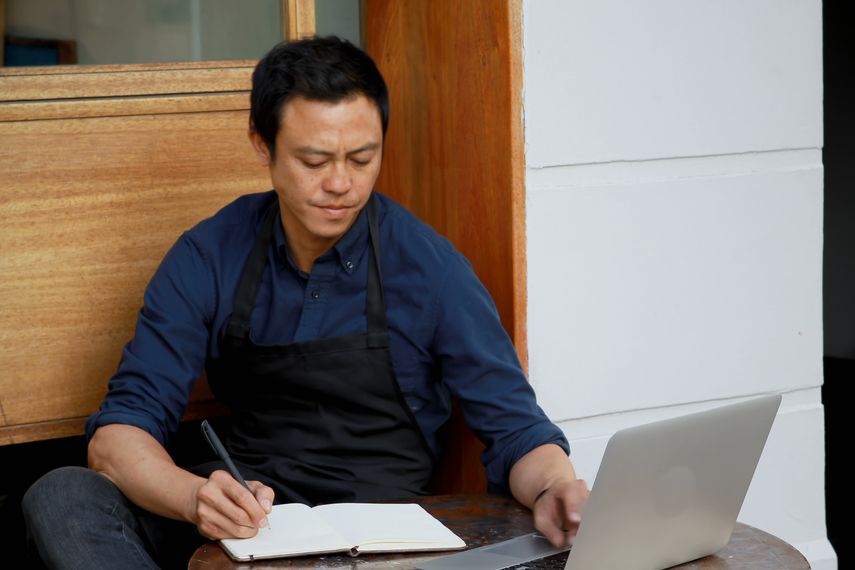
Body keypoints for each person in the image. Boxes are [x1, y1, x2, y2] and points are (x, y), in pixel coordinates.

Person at [22, 36, 588, 569]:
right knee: (62, 494)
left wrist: (557, 487)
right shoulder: (209, 254)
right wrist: (196, 497)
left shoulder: (429, 267)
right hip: (248, 525)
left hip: (383, 537)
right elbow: (119, 436)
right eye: (314, 162)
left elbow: (518, 431)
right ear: (262, 145)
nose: (340, 183)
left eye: (362, 159)